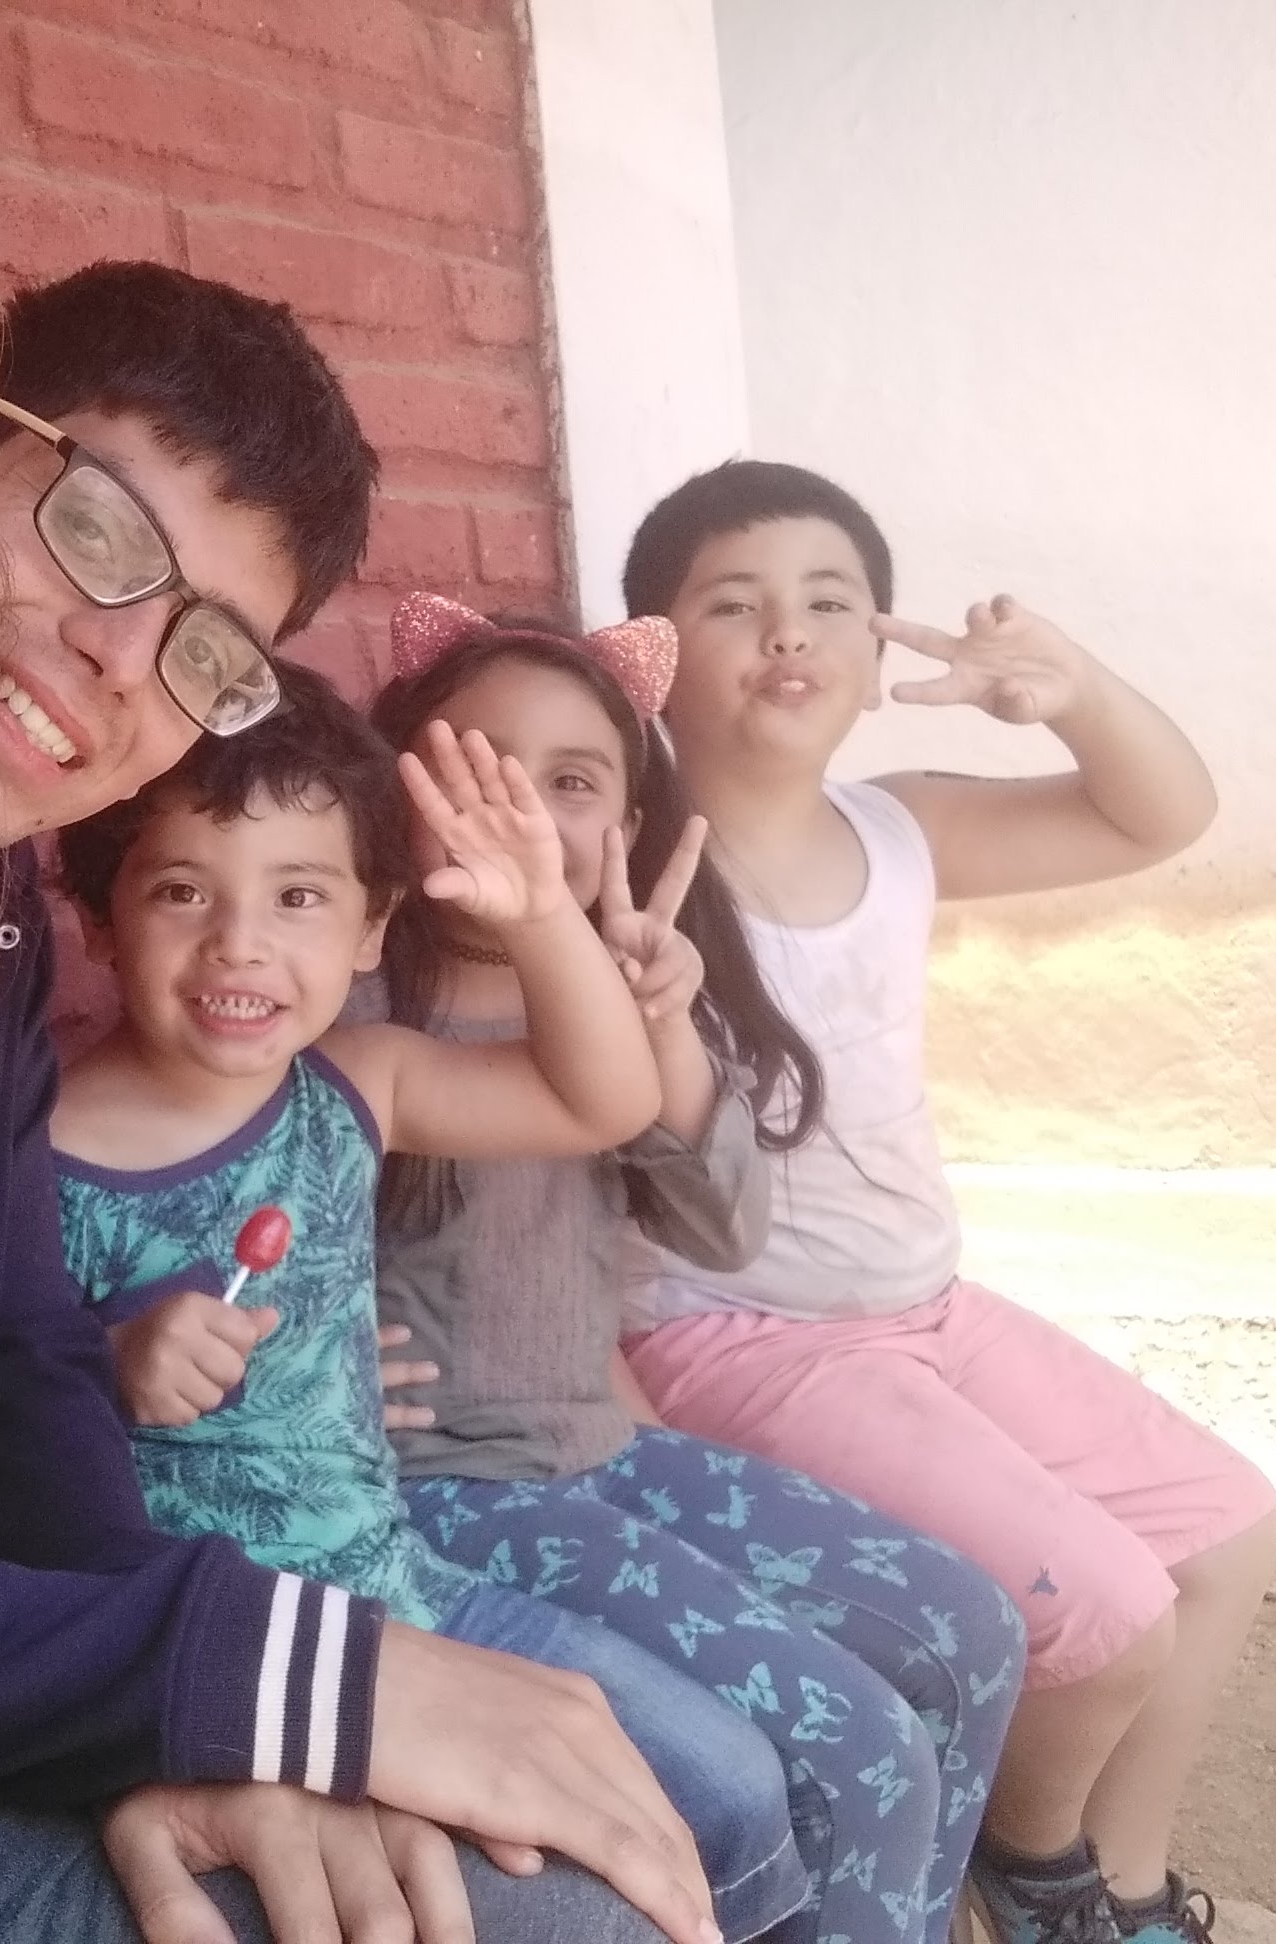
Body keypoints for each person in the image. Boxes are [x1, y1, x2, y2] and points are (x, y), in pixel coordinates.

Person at [0, 263, 723, 1944]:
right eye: (91, 527)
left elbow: (9, 1367)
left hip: (94, 1622)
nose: (118, 655)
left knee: (663, 1818)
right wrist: (204, 1685)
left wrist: (160, 1700)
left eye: (207, 645)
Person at [616, 461, 1276, 1944]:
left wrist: (1073, 690)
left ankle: (1125, 1891)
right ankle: (1030, 1870)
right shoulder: (634, 871)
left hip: (926, 1310)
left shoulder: (901, 827)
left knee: (1225, 1531)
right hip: (742, 1338)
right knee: (1108, 1617)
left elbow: (1159, 814)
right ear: (652, 654)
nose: (787, 632)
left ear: (876, 656)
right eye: (733, 604)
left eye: (829, 602)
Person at [51, 664, 813, 1944]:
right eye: (183, 890)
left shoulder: (358, 1084)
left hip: (405, 1580)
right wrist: (110, 1356)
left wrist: (541, 916)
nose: (241, 942)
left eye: (299, 896)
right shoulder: (34, 1153)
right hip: (233, 1650)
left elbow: (602, 1100)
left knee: (730, 1784)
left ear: (370, 930)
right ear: (100, 921)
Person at [355, 594, 1027, 1944]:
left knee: (974, 1635)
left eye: (572, 782)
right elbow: (228, 1218)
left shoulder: (617, 1006)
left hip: (597, 1453)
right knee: (859, 1751)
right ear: (396, 787)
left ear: (630, 824)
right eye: (476, 766)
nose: (521, 810)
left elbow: (721, 1229)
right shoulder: (350, 1001)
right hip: (446, 1490)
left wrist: (662, 1025)